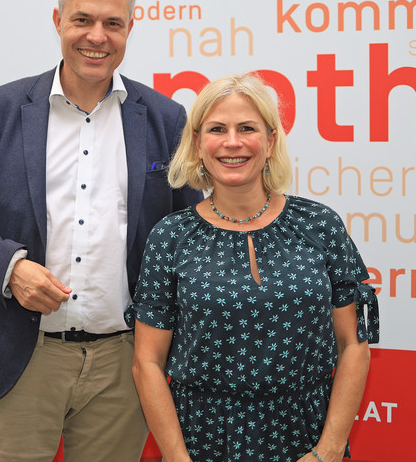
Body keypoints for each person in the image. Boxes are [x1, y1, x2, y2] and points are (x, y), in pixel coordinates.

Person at [0, 0, 203, 462]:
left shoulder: (166, 118)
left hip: (124, 366)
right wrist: (10, 269)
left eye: (112, 23)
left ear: (130, 27)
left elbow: (191, 236)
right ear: (58, 21)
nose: (97, 36)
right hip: (22, 356)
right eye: (82, 20)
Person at [130, 74, 380, 462]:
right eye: (217, 129)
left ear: (271, 141)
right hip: (203, 441)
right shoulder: (170, 237)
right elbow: (147, 363)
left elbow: (353, 346)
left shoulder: (320, 225)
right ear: (198, 143)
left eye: (247, 128)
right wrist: (178, 458)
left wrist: (328, 451)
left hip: (306, 436)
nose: (232, 142)